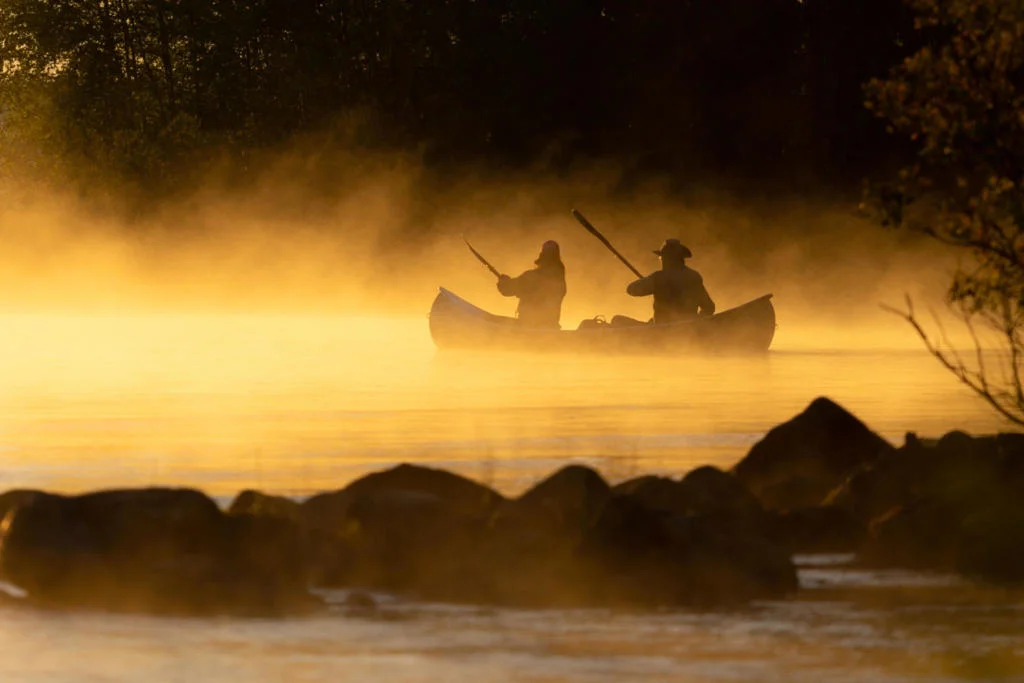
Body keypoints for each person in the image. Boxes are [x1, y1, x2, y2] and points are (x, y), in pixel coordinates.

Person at [619, 238, 715, 324]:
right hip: (689, 328)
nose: (661, 260)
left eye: (662, 258)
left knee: (617, 320)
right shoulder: (693, 276)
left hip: (662, 329)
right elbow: (709, 307)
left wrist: (647, 282)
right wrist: (695, 322)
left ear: (667, 259)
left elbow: (631, 289)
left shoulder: (658, 278)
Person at [497, 240, 567, 329]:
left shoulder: (532, 277)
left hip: (528, 326)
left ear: (542, 256)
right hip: (551, 327)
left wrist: (504, 282)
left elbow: (508, 289)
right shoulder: (559, 280)